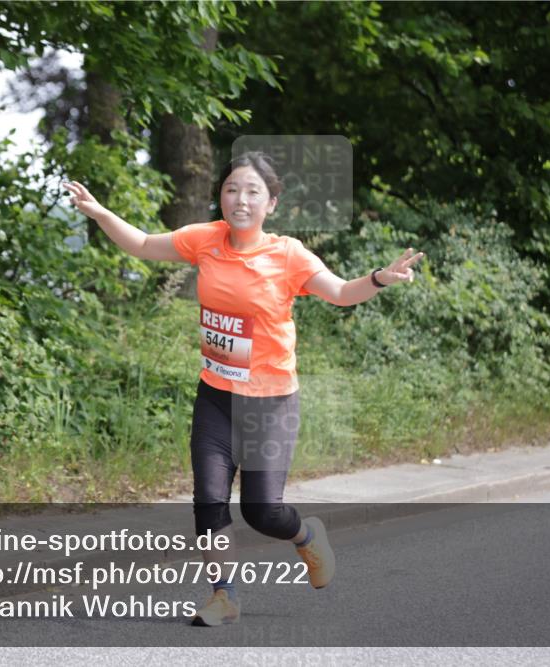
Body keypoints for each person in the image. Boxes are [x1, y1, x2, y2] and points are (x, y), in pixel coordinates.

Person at [62, 151, 423, 627]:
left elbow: (338, 292)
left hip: (270, 402)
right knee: (209, 500)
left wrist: (379, 278)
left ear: (271, 203)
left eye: (253, 191)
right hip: (215, 394)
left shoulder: (288, 254)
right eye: (232, 188)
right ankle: (223, 595)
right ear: (222, 196)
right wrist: (101, 212)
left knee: (262, 510)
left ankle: (306, 536)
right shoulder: (205, 239)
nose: (240, 199)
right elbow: (146, 244)